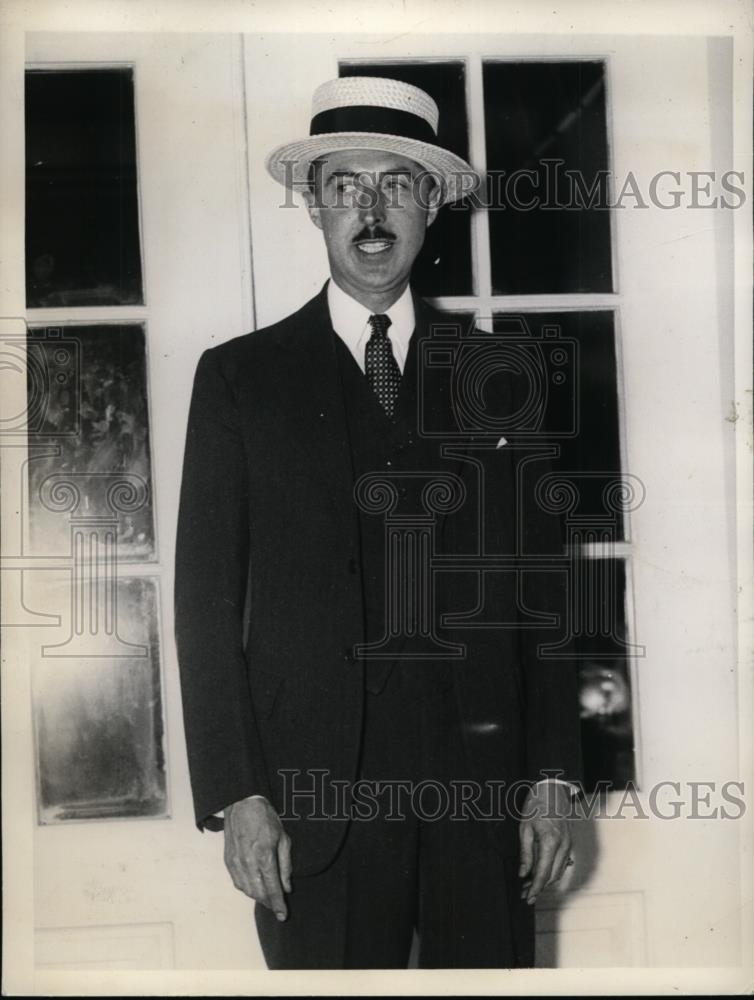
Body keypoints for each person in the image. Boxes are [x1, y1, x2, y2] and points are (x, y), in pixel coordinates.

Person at [174, 75, 582, 970]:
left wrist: (553, 776)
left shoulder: (500, 379)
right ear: (315, 206)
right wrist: (238, 792)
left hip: (483, 798)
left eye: (396, 183)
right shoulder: (241, 381)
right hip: (311, 806)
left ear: (430, 204)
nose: (370, 209)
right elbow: (203, 606)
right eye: (345, 186)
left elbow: (550, 601)